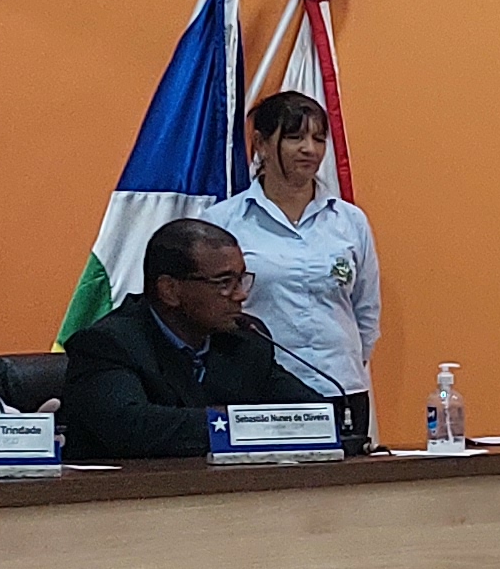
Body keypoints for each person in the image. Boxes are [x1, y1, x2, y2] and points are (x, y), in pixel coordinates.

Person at [63, 216, 307, 459]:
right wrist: (242, 422)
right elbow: (131, 427)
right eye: (225, 282)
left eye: (241, 280)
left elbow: (311, 413)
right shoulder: (108, 343)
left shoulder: (245, 339)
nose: (241, 295)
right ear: (169, 290)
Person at [222, 87, 378, 401]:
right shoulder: (225, 222)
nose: (310, 149)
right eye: (295, 138)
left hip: (340, 387)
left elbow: (366, 310)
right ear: (262, 144)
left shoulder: (350, 221)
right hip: (260, 390)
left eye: (319, 139)